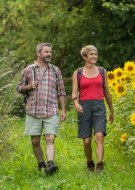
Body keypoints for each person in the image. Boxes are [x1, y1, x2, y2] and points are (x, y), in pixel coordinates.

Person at [16, 43, 66, 176]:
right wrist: (28, 87)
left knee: (50, 138)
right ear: (38, 53)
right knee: (35, 141)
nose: (49, 54)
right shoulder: (28, 70)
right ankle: (41, 163)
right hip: (33, 110)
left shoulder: (56, 70)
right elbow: (19, 88)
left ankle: (51, 164)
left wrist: (63, 110)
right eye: (46, 52)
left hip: (51, 110)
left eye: (50, 52)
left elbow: (61, 92)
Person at [71, 45, 114, 172]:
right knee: (86, 141)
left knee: (99, 135)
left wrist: (111, 110)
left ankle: (100, 165)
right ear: (85, 57)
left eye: (96, 54)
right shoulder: (78, 73)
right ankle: (89, 161)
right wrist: (76, 103)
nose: (94, 56)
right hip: (84, 107)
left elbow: (107, 91)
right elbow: (74, 93)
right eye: (91, 54)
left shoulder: (102, 71)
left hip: (99, 106)